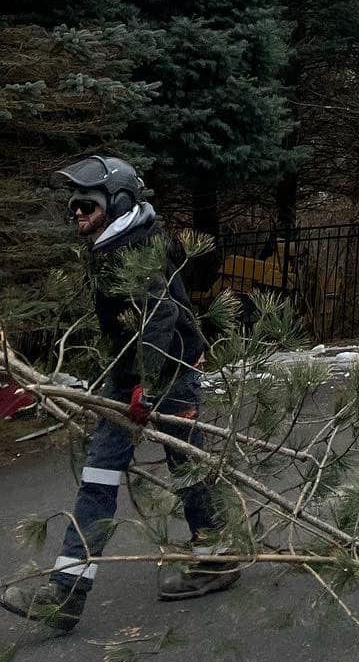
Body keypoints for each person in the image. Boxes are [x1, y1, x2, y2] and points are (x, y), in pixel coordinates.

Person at [1, 155, 240, 634]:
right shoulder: (112, 244)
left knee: (188, 469)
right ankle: (66, 596)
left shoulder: (141, 246)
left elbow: (160, 319)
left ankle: (216, 560)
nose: (76, 213)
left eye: (86, 203)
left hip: (169, 373)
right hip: (133, 376)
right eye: (73, 206)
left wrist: (147, 386)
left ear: (121, 200)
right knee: (98, 476)